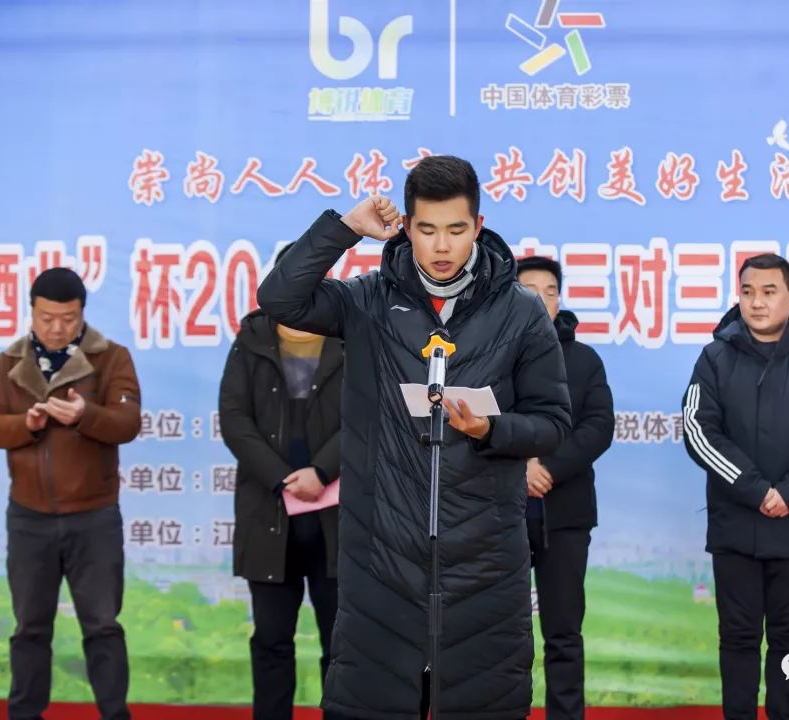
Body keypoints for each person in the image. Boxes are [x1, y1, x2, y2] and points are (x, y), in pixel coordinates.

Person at [256, 155, 571, 720]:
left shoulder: (521, 311)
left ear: (478, 225)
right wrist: (346, 228)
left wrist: (490, 429)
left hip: (484, 561)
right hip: (381, 559)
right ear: (405, 225)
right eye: (426, 229)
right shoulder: (367, 300)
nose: (441, 246)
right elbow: (280, 298)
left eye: (455, 229)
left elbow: (552, 422)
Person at [681, 254, 789, 720]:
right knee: (738, 638)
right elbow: (699, 430)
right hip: (736, 525)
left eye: (768, 291)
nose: (757, 302)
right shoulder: (715, 357)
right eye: (747, 292)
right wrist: (755, 490)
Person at [0, 267, 141, 720]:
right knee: (30, 628)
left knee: (102, 626)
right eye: (47, 318)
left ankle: (114, 713)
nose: (56, 328)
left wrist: (86, 414)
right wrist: (24, 425)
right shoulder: (11, 362)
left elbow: (128, 423)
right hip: (29, 517)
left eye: (68, 318)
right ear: (32, 312)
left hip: (94, 516)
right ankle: (25, 713)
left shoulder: (111, 358)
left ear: (82, 313)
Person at [219, 242, 345, 720]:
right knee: (271, 642)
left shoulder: (352, 336)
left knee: (344, 647)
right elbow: (235, 419)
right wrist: (283, 479)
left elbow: (367, 417)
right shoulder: (251, 338)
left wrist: (322, 471)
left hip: (338, 520)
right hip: (269, 513)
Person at [516, 255, 614, 720]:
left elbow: (598, 427)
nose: (540, 299)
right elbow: (475, 419)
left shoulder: (584, 360)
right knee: (500, 632)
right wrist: (520, 468)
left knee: (563, 633)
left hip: (566, 514)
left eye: (549, 291)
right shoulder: (488, 352)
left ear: (560, 299)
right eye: (528, 290)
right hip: (499, 514)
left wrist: (549, 469)